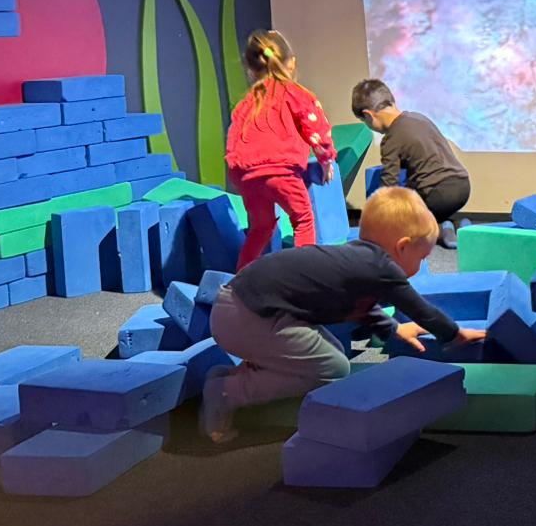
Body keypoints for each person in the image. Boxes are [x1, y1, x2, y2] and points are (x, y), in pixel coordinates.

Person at [200, 187, 486, 443]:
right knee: (331, 368)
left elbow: (359, 307)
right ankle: (227, 391)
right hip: (248, 318)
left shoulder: (356, 258)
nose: (421, 265)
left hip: (239, 305)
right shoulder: (383, 268)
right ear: (402, 246)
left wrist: (395, 329)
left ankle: (230, 375)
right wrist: (454, 334)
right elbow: (421, 309)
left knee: (331, 351)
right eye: (421, 257)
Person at [225, 30, 337, 270]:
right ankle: (303, 277)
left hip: (247, 177)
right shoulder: (297, 94)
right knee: (303, 220)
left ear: (251, 69)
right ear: (291, 63)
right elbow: (317, 129)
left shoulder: (245, 104)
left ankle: (241, 278)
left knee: (261, 227)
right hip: (282, 173)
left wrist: (240, 179)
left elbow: (233, 143)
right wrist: (326, 160)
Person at [351, 78, 471, 250]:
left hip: (438, 194)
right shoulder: (419, 118)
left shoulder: (391, 139)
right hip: (462, 186)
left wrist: (377, 218)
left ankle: (439, 230)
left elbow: (389, 185)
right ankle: (458, 226)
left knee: (404, 222)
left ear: (369, 115)